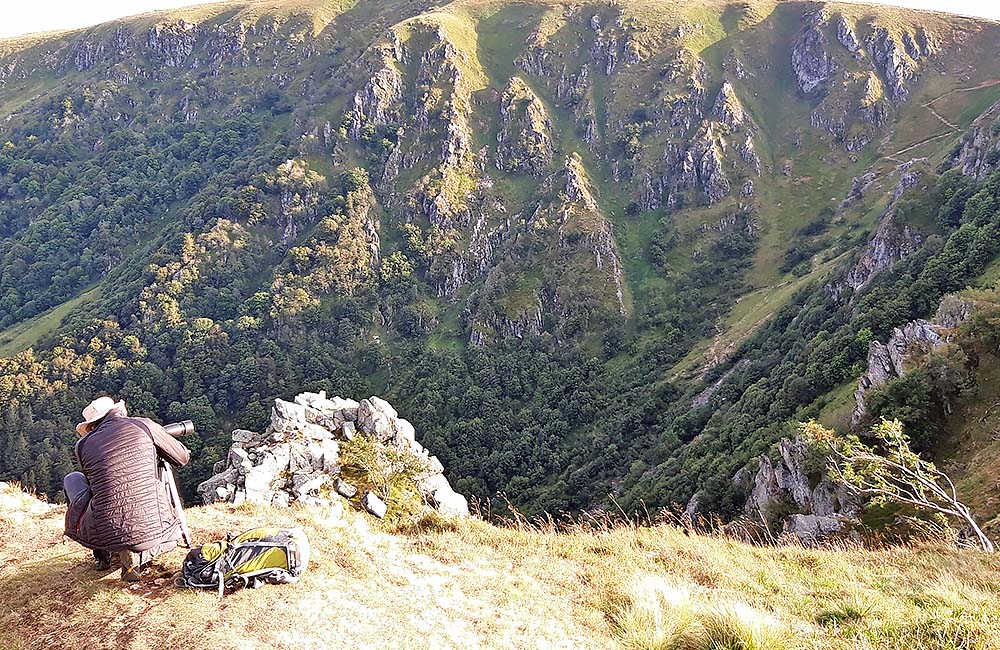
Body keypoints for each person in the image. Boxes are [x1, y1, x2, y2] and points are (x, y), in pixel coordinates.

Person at [64, 396, 191, 582]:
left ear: (91, 424)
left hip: (105, 535)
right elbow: (182, 457)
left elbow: (97, 484)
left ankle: (102, 557)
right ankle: (139, 553)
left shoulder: (83, 445)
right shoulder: (144, 426)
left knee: (73, 478)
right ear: (120, 412)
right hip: (154, 530)